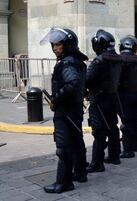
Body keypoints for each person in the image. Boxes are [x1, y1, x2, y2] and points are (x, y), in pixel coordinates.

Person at [40, 27, 88, 193]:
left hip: (66, 111)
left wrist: (55, 98)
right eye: (53, 45)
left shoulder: (67, 63)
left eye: (58, 44)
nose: (55, 48)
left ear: (67, 45)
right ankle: (80, 172)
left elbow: (73, 83)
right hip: (74, 109)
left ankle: (64, 182)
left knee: (63, 147)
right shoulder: (78, 61)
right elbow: (82, 84)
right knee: (76, 141)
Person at [85, 29, 122, 173]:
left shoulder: (99, 60)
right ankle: (114, 155)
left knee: (99, 131)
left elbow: (87, 79)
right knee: (112, 127)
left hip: (99, 99)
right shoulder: (117, 58)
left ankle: (97, 163)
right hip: (112, 97)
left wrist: (86, 91)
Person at [118, 35, 137, 158]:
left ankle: (128, 150)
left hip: (124, 94)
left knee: (126, 122)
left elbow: (117, 78)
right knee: (135, 120)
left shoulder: (120, 59)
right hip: (136, 94)